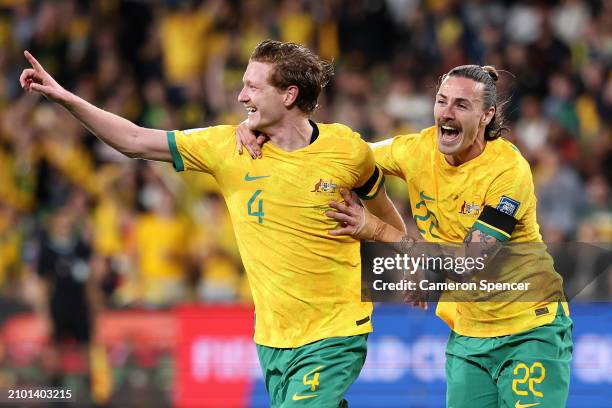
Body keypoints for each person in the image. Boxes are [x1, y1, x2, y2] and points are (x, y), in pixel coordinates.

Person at [21, 39, 405, 407]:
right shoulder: (229, 148)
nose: (241, 97)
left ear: (288, 95)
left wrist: (388, 245)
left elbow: (389, 217)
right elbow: (134, 140)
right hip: (273, 338)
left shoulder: (348, 150)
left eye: (252, 87)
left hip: (335, 332)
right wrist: (65, 98)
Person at [238, 65, 573, 407]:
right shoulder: (417, 150)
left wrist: (378, 229)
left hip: (530, 327)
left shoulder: (508, 171)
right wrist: (267, 128)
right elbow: (340, 157)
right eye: (442, 101)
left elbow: (468, 262)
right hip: (469, 336)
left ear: (486, 116)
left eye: (461, 104)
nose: (447, 112)